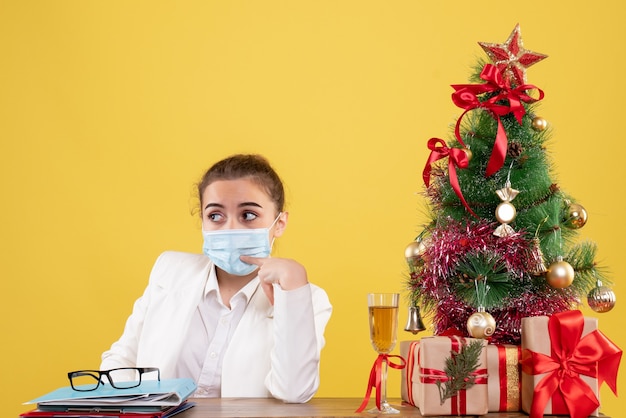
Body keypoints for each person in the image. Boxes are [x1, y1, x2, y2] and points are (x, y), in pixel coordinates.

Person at [100, 154, 332, 403]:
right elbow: (120, 361)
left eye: (249, 215)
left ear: (279, 223)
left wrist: (294, 289)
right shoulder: (169, 270)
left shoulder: (309, 299)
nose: (231, 228)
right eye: (215, 216)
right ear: (202, 220)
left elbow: (294, 392)